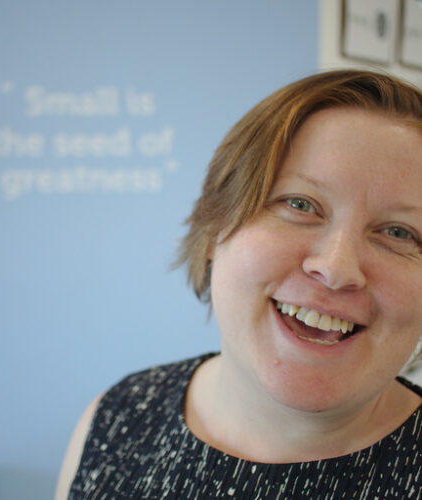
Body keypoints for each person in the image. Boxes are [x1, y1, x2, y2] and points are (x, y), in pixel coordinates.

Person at [56, 70, 422, 499]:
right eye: (300, 204)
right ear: (216, 225)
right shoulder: (115, 420)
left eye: (399, 233)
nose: (338, 268)